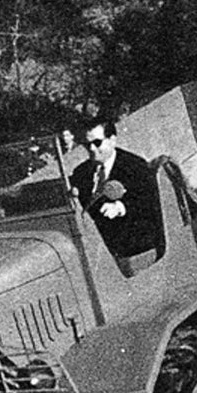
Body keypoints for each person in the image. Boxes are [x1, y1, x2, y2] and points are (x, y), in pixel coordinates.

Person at [68, 116, 162, 275]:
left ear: (112, 140)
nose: (91, 149)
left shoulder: (135, 166)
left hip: (132, 248)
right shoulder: (81, 172)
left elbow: (150, 201)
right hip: (97, 251)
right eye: (86, 144)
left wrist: (121, 207)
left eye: (97, 143)